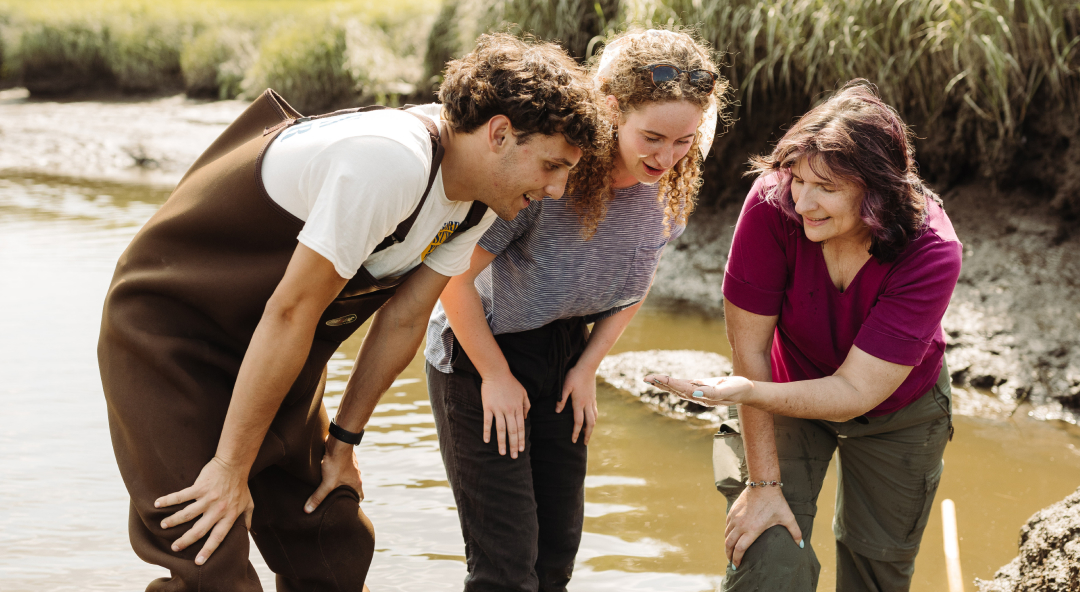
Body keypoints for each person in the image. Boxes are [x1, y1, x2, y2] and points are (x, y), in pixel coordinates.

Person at [97, 33, 601, 591]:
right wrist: (229, 469)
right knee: (210, 558)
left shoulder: (482, 197)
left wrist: (343, 444)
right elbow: (291, 312)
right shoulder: (389, 161)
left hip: (272, 349)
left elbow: (405, 319)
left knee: (334, 546)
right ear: (500, 133)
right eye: (552, 166)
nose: (557, 190)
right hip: (169, 340)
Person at [424, 28, 728, 592]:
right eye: (653, 137)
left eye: (684, 141)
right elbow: (451, 279)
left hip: (564, 353)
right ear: (612, 110)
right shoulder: (547, 175)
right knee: (506, 569)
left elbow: (639, 279)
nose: (666, 157)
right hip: (479, 352)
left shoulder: (669, 188)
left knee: (556, 558)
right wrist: (495, 375)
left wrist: (588, 367)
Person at [646, 80, 963, 591]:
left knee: (875, 569)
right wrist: (763, 484)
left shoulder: (932, 250)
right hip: (780, 387)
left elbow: (855, 391)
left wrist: (747, 392)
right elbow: (749, 349)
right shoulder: (773, 201)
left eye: (829, 189)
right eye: (798, 177)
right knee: (767, 556)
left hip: (896, 409)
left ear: (876, 192)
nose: (804, 202)